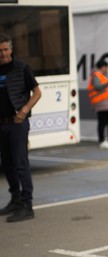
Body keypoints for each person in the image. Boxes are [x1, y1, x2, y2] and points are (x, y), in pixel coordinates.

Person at [0, 33, 42, 223]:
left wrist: (24, 111)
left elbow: (37, 92)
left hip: (17, 123)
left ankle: (27, 205)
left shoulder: (22, 68)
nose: (2, 54)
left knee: (20, 163)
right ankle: (15, 199)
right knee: (7, 164)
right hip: (1, 124)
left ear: (11, 49)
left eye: (5, 49)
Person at [88, 59, 108, 149]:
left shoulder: (105, 76)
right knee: (102, 123)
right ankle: (102, 141)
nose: (107, 69)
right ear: (103, 67)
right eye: (106, 67)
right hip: (101, 104)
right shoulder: (96, 75)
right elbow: (97, 86)